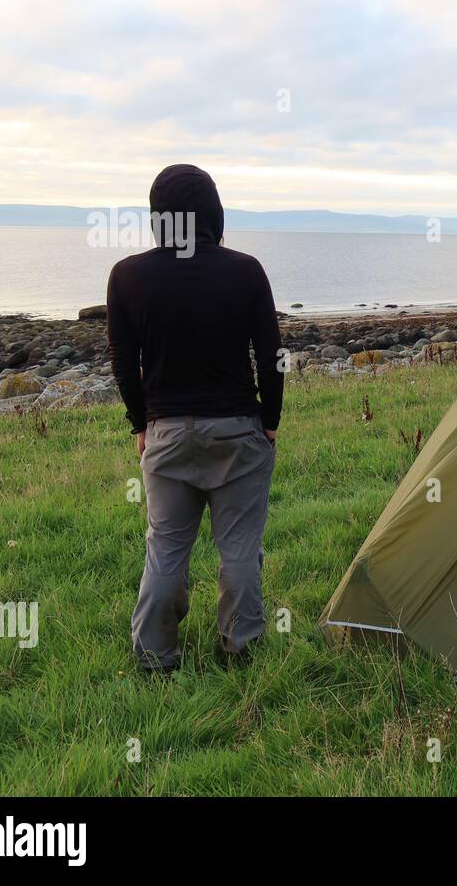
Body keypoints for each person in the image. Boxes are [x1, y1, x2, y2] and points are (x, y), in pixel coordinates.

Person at [106, 164, 284, 672]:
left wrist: (141, 424)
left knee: (165, 548)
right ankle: (240, 650)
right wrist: (270, 420)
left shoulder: (127, 276)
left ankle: (155, 657)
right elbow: (271, 356)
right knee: (240, 549)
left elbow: (124, 364)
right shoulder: (246, 270)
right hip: (238, 433)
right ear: (213, 212)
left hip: (166, 433)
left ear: (157, 216)